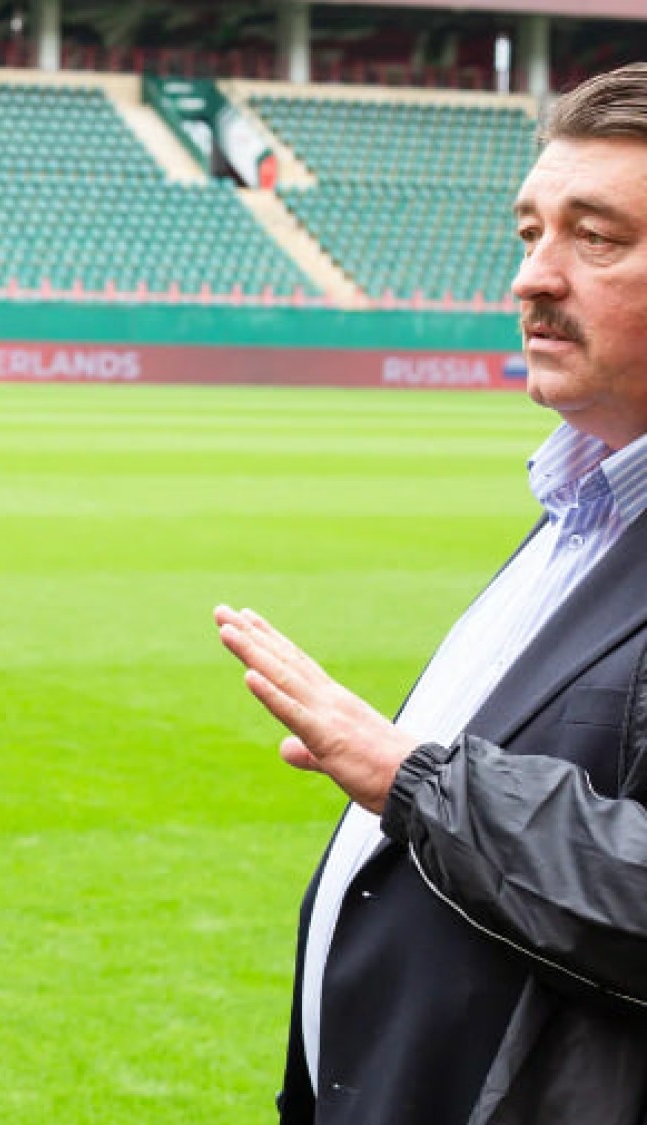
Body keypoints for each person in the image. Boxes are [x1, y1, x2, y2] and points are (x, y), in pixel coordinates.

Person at [217, 63, 647, 1125]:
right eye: (529, 233)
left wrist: (412, 778)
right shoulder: (581, 508)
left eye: (596, 238)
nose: (533, 278)